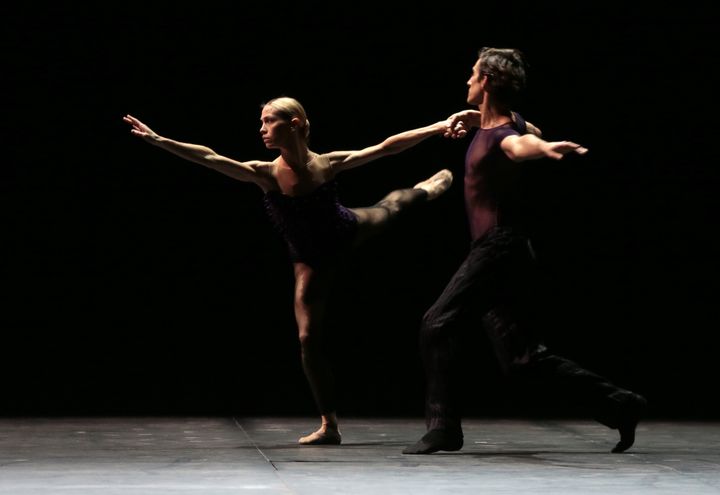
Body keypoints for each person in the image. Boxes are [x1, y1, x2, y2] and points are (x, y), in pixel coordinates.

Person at [123, 97, 454, 445]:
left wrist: (437, 127)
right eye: (261, 122)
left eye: (268, 121)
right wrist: (160, 140)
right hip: (309, 259)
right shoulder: (264, 173)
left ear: (294, 123)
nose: (262, 129)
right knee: (308, 338)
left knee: (392, 206)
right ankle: (330, 425)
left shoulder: (327, 164)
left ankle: (424, 189)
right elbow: (208, 157)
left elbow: (386, 148)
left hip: (344, 231)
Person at [402, 48, 647, 455]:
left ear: (486, 83)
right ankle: (620, 405)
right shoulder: (505, 122)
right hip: (505, 250)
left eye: (472, 75)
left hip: (498, 246)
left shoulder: (505, 135)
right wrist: (479, 119)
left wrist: (547, 148)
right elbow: (522, 130)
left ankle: (443, 428)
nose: (466, 81)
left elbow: (520, 147)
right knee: (522, 359)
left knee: (436, 322)